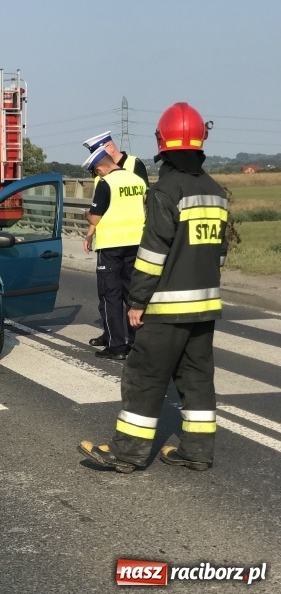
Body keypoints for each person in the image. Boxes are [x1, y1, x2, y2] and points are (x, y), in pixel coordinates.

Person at [78, 102, 227, 473]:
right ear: (200, 139)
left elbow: (152, 255)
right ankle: (197, 452)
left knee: (144, 376)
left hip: (166, 306)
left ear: (163, 142)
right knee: (196, 379)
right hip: (205, 304)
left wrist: (138, 301)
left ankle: (127, 454)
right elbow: (219, 253)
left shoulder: (165, 191)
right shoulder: (216, 191)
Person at [82, 131, 149, 348]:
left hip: (111, 245)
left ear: (100, 168)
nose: (98, 175)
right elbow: (144, 202)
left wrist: (87, 218)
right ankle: (135, 342)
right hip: (136, 243)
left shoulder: (106, 182)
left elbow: (95, 215)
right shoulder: (137, 179)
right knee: (132, 294)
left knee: (111, 296)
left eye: (96, 172)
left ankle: (116, 346)